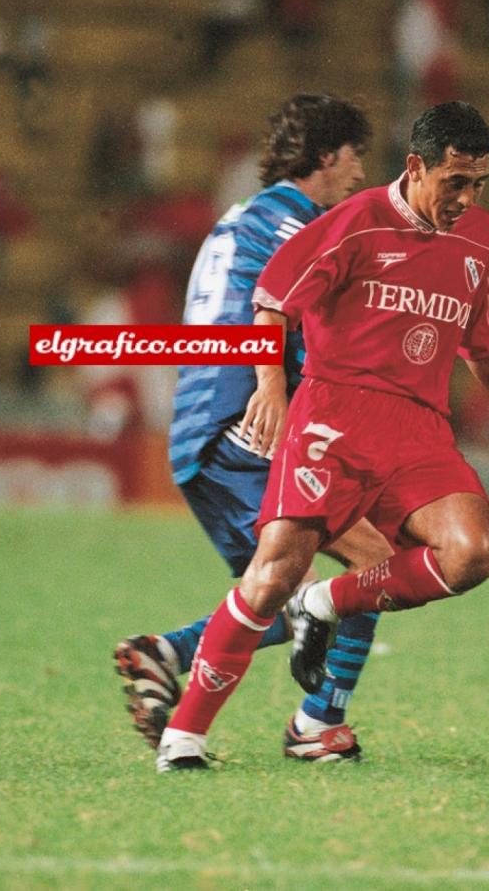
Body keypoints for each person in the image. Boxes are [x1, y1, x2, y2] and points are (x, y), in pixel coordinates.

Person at [155, 100, 489, 772]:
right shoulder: (353, 223)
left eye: (478, 183)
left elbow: (480, 350)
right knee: (270, 575)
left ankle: (323, 607)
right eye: (454, 181)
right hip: (332, 418)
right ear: (416, 166)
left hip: (417, 432)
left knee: (472, 552)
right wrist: (272, 391)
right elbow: (271, 302)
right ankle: (183, 736)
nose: (466, 198)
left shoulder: (480, 239)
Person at [115, 93, 395, 762]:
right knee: (370, 563)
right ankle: (316, 725)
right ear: (326, 157)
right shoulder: (294, 224)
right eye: (355, 157)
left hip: (202, 429)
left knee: (279, 597)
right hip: (242, 427)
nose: (360, 173)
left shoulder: (238, 219)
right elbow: (276, 314)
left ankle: (163, 654)